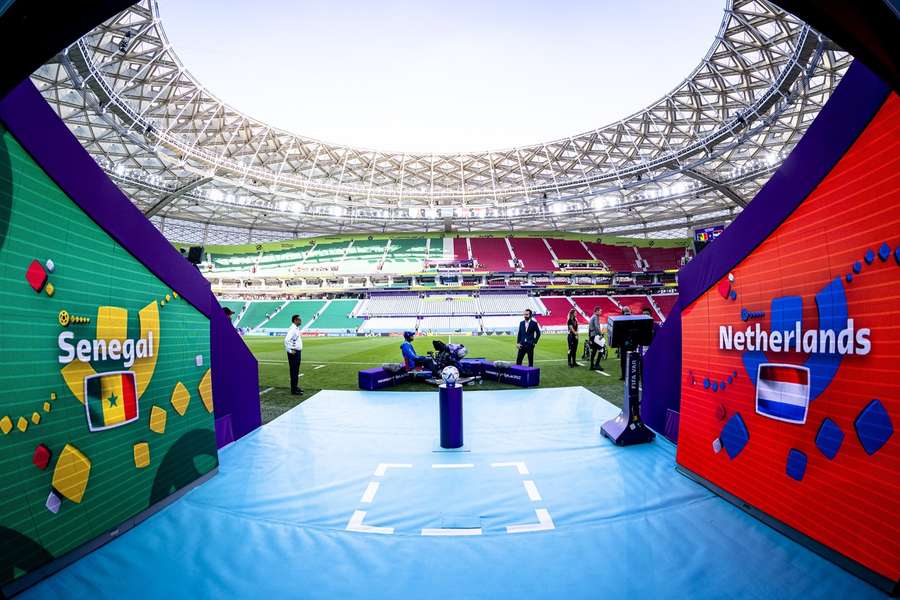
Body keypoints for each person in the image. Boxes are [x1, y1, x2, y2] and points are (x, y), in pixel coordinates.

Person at [284, 314, 303, 395]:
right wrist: (290, 350)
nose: (301, 321)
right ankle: (294, 390)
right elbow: (286, 340)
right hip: (294, 352)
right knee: (294, 371)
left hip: (296, 351)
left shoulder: (296, 328)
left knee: (295, 371)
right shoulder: (293, 329)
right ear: (295, 320)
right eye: (299, 319)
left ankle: (295, 387)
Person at [588, 306, 604, 371]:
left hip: (592, 336)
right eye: (600, 311)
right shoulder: (595, 317)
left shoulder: (593, 317)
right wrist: (601, 334)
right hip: (595, 336)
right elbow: (597, 327)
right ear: (597, 311)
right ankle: (597, 365)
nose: (601, 312)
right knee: (601, 349)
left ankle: (592, 366)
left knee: (594, 351)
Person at [619, 306, 632, 380]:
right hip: (632, 342)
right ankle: (631, 375)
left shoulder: (621, 319)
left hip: (623, 342)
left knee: (623, 360)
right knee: (632, 359)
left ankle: (624, 376)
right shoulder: (633, 318)